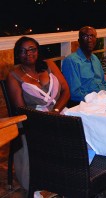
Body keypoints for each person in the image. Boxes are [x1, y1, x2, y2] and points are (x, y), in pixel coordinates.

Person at [6, 36, 70, 190]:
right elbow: (21, 109)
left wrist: (55, 111)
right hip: (32, 119)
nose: (27, 53)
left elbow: (66, 91)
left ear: (37, 51)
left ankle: (73, 176)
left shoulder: (49, 65)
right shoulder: (13, 76)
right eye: (22, 51)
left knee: (82, 129)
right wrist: (45, 119)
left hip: (58, 110)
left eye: (31, 49)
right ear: (17, 55)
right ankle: (49, 181)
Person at [62, 26, 106, 104]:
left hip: (103, 100)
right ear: (79, 41)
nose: (89, 39)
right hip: (85, 104)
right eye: (85, 36)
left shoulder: (95, 59)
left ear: (96, 40)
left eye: (92, 36)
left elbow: (104, 83)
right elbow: (74, 93)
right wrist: (96, 100)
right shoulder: (71, 61)